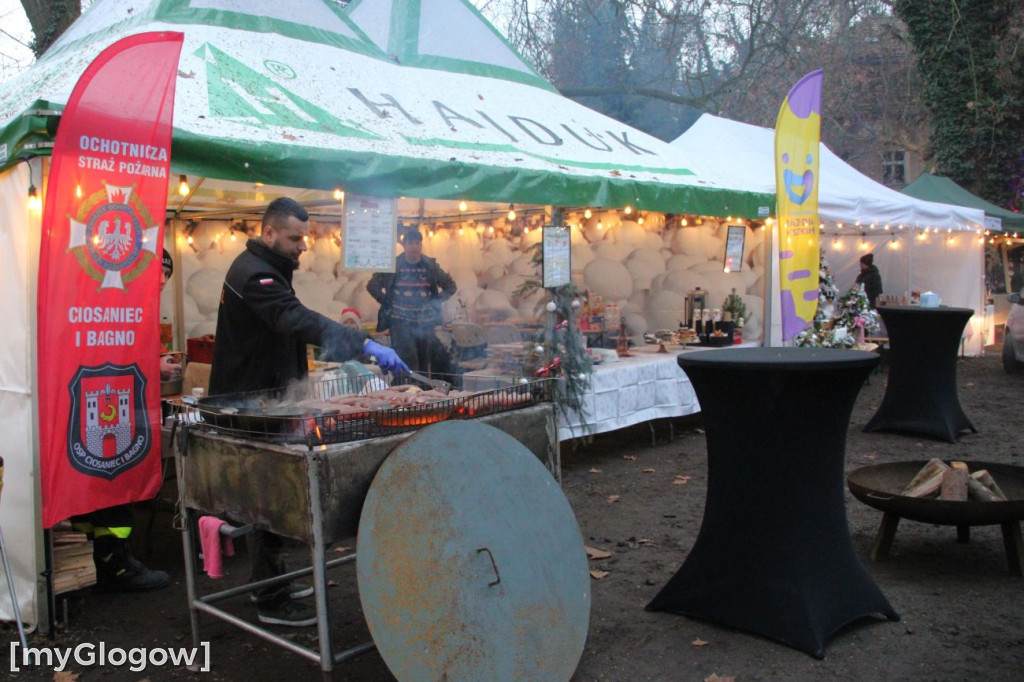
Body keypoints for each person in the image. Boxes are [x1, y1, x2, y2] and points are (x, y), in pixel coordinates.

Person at [209, 197, 408, 627]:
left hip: (268, 395)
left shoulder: (266, 267)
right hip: (250, 402)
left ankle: (271, 581)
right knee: (264, 495)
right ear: (269, 233)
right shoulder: (255, 275)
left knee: (268, 493)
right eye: (294, 238)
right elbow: (294, 319)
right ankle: (270, 598)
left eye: (305, 237)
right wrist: (363, 343)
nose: (303, 246)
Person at [69, 250, 180, 592]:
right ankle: (116, 565)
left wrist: (153, 361)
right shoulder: (116, 303)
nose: (162, 280)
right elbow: (109, 352)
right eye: (157, 271)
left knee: (104, 491)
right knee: (113, 487)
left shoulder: (133, 303)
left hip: (111, 408)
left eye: (167, 273)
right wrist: (153, 366)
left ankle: (97, 561)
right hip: (106, 410)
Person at [367, 228, 457, 380]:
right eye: (411, 243)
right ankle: (408, 392)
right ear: (404, 245)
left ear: (421, 244)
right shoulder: (394, 265)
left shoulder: (430, 266)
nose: (414, 247)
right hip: (400, 322)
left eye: (417, 243)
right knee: (408, 364)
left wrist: (435, 302)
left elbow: (451, 286)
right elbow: (372, 285)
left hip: (425, 323)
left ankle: (422, 393)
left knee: (423, 364)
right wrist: (386, 301)